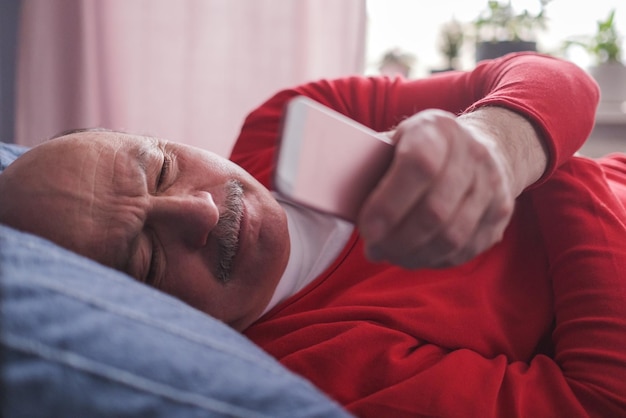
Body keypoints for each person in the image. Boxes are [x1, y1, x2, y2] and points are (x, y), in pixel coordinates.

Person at [1, 52, 625, 417]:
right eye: (145, 258)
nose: (198, 210)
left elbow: (561, 82)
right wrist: (554, 169)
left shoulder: (285, 122)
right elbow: (598, 400)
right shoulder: (328, 369)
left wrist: (494, 140)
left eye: (161, 168)